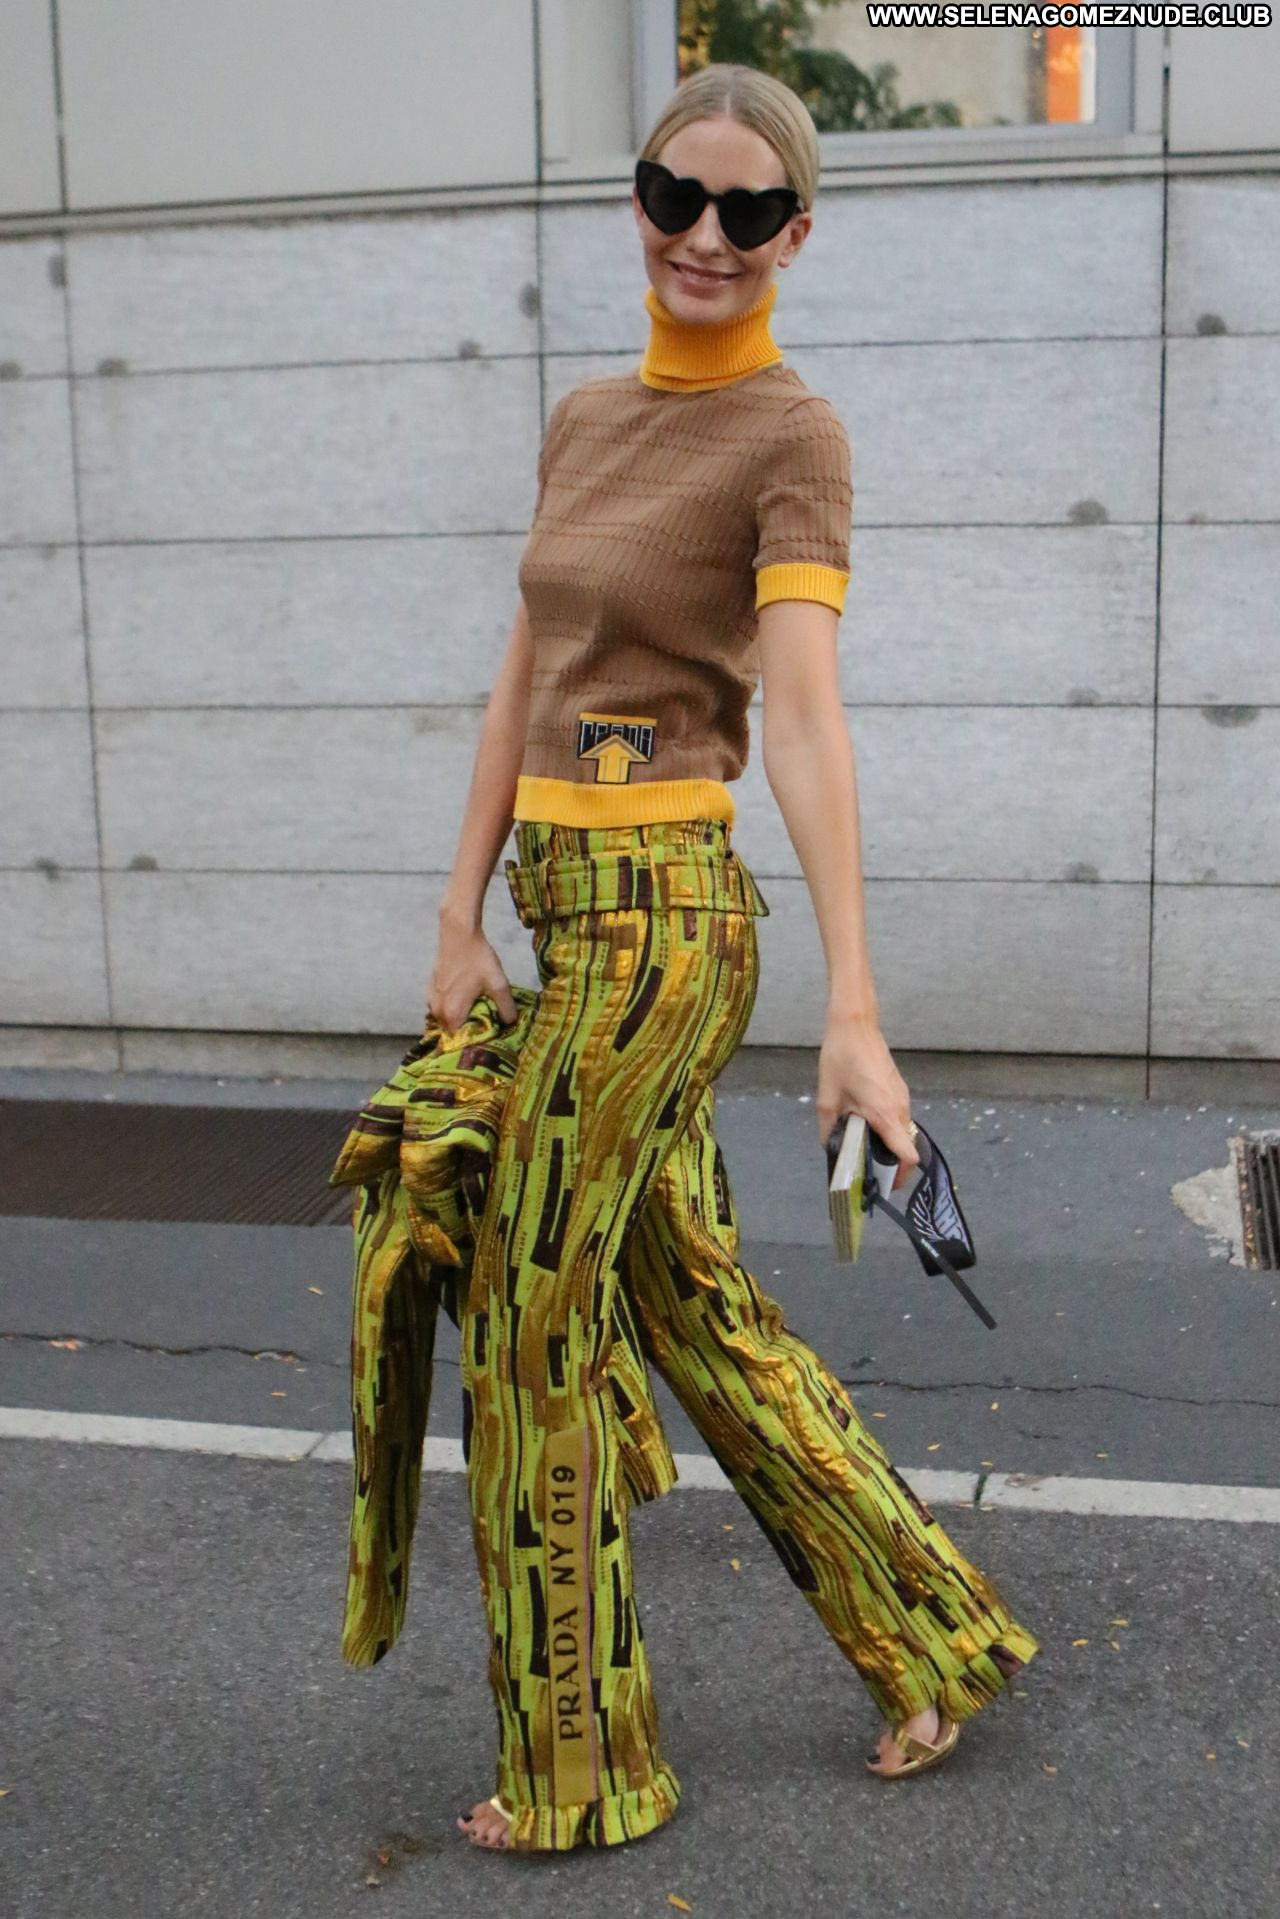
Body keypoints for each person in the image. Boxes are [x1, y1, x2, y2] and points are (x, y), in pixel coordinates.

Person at [426, 61, 1039, 1856]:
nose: (706, 235)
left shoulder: (794, 438)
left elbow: (809, 720)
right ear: (638, 202)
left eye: (750, 211)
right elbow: (522, 675)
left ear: (797, 234)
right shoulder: (582, 419)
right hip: (560, 913)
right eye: (677, 197)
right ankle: (931, 1633)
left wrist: (855, 1008)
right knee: (694, 1304)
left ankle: (584, 1764)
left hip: (666, 925)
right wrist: (458, 911)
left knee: (529, 1326)